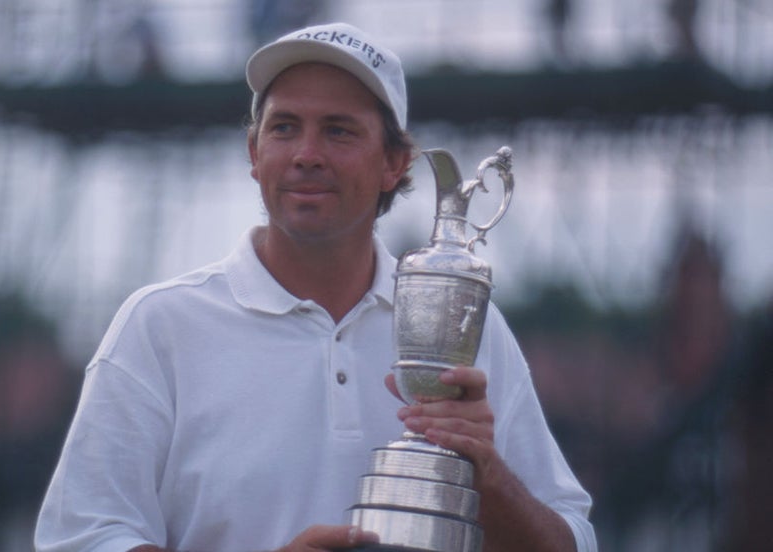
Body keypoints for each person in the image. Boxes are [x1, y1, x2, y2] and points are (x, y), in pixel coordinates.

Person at [34, 22, 598, 552]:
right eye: (283, 128)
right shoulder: (158, 326)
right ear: (255, 155)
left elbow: (572, 540)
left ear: (394, 164)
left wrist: (489, 474)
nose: (306, 154)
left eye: (339, 130)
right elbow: (82, 538)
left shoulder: (468, 327)